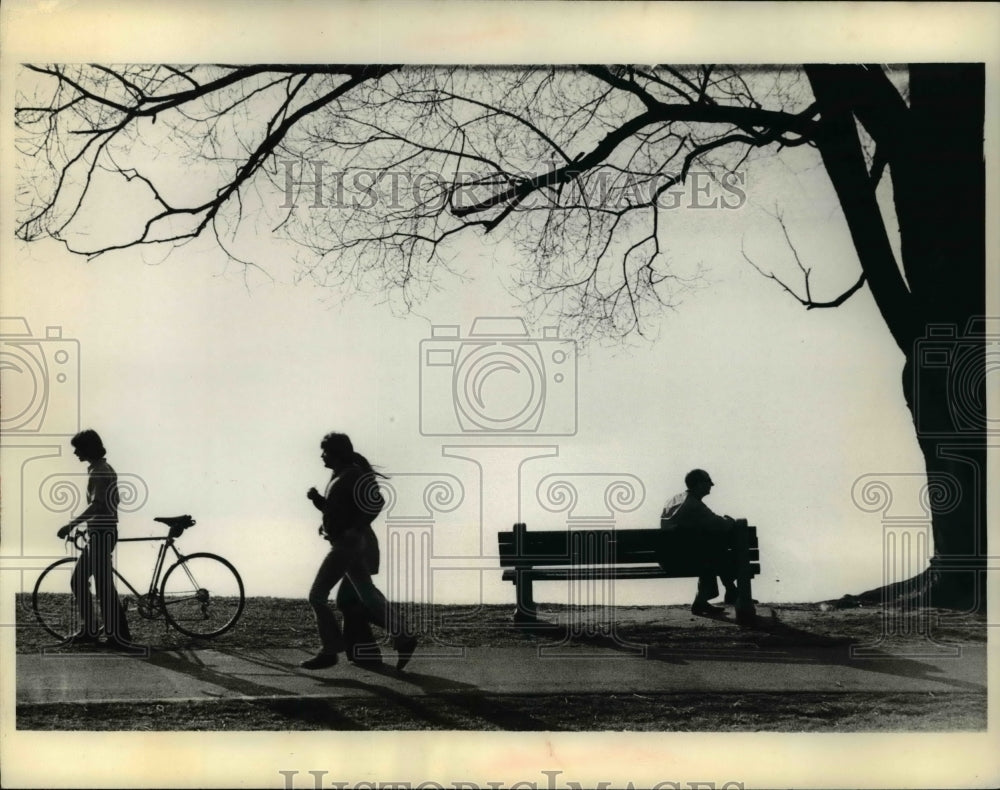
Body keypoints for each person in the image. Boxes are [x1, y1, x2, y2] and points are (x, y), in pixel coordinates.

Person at [301, 432, 418, 672]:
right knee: (366, 594)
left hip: (347, 546)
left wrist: (355, 528)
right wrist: (319, 504)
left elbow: (376, 502)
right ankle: (404, 635)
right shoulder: (340, 475)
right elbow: (339, 510)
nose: (321, 456)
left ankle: (331, 650)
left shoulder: (352, 474)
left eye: (324, 451)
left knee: (317, 595)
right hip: (346, 544)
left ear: (335, 453)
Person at [56, 429, 138, 650]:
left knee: (90, 583)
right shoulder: (104, 469)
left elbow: (97, 505)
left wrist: (72, 525)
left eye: (78, 448)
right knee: (97, 584)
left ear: (87, 449)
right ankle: (106, 634)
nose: (75, 453)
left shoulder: (99, 472)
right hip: (102, 532)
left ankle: (106, 634)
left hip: (101, 534)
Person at [660, 468, 740, 617]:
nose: (712, 484)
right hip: (681, 560)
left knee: (710, 547)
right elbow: (720, 524)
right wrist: (731, 521)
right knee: (715, 549)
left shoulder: (674, 500)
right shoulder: (693, 505)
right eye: (708, 481)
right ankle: (731, 590)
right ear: (698, 484)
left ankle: (708, 599)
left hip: (667, 557)